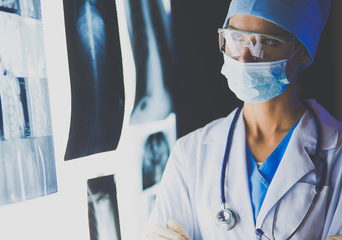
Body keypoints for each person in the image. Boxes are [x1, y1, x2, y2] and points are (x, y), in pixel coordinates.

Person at [144, 0, 342, 239]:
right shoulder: (190, 153)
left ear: (302, 50)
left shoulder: (336, 153)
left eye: (266, 42)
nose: (245, 58)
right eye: (236, 38)